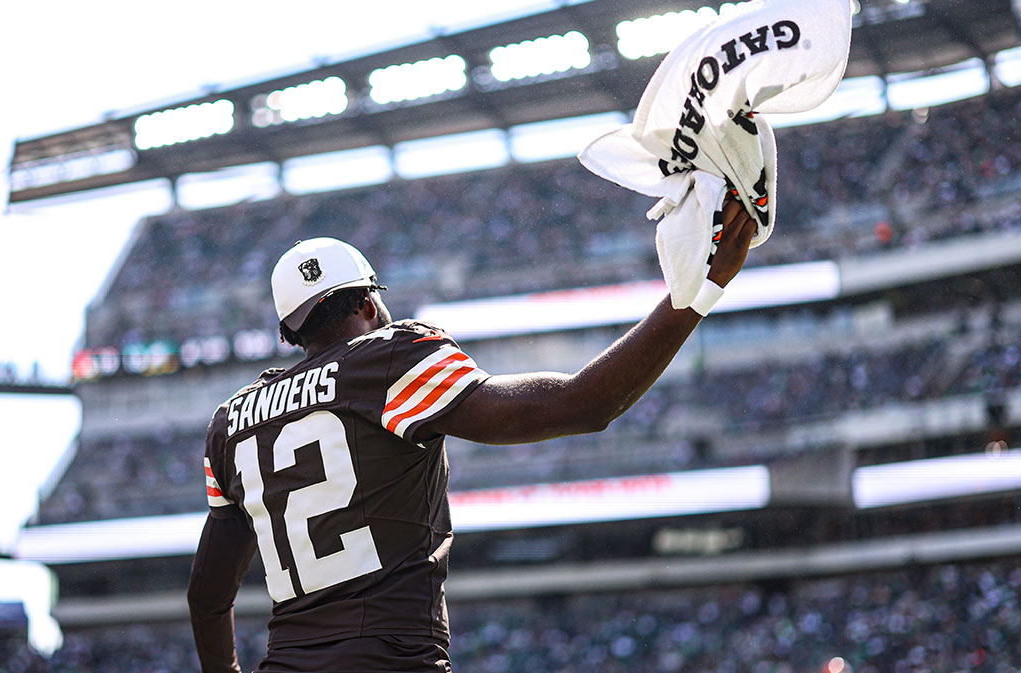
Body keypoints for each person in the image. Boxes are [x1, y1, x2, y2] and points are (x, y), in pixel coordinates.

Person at [187, 198, 758, 673]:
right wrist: (698, 291)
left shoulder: (230, 424)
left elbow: (208, 598)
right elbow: (583, 404)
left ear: (291, 330)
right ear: (368, 300)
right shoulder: (387, 360)